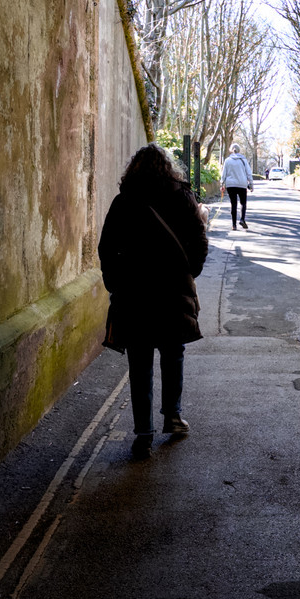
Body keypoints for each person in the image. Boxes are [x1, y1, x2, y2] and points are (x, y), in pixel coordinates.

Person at [98, 144, 208, 459]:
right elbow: (199, 240)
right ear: (168, 168)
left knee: (140, 363)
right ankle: (172, 415)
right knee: (173, 354)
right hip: (172, 291)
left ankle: (143, 433)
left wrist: (114, 282)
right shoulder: (182, 197)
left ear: (133, 169)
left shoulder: (124, 202)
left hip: (134, 294)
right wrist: (190, 272)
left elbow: (107, 248)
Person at [220, 143, 253, 230]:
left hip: (231, 185)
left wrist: (222, 184)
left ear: (231, 150)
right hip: (242, 184)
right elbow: (249, 173)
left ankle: (234, 225)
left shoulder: (227, 160)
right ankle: (242, 219)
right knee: (243, 203)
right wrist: (251, 184)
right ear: (239, 150)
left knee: (233, 204)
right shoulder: (243, 160)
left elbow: (223, 174)